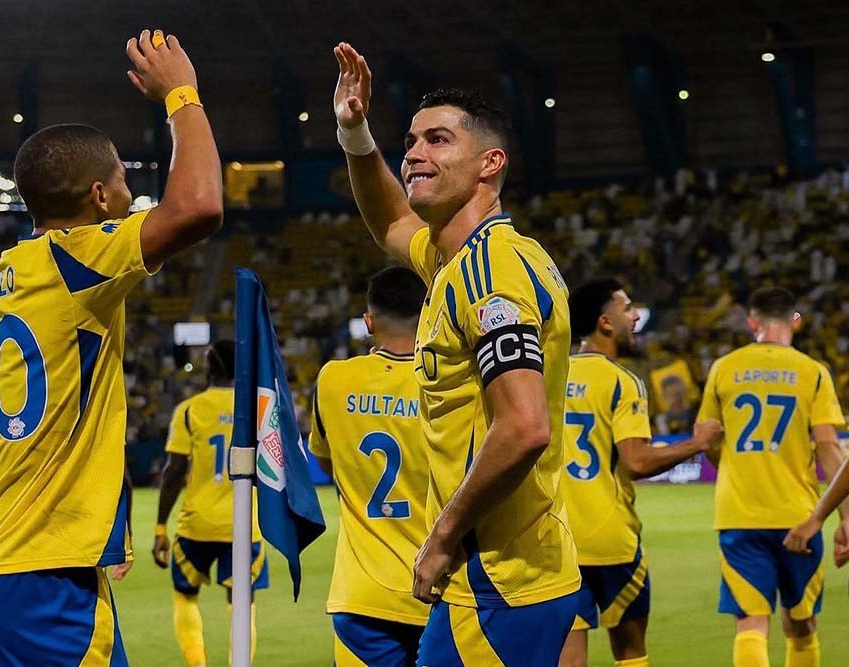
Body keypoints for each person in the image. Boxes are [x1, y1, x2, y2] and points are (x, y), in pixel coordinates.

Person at [0, 29, 223, 666]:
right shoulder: (79, 256)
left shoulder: (1, 281)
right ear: (99, 196)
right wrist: (182, 94)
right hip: (45, 584)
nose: (130, 195)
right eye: (123, 181)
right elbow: (200, 206)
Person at [332, 42, 580, 666]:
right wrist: (355, 133)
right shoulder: (456, 260)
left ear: (489, 163)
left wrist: (442, 537)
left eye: (438, 140)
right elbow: (391, 222)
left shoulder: (490, 272)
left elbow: (524, 427)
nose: (414, 153)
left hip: (497, 579)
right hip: (504, 574)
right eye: (411, 141)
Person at [558, 278, 723, 667]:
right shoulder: (622, 381)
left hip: (559, 541)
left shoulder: (549, 377)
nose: (635, 317)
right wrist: (698, 443)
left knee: (568, 660)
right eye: (628, 308)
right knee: (631, 654)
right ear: (605, 322)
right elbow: (636, 462)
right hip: (611, 540)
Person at [696, 287, 847, 667]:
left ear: (752, 323)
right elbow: (829, 449)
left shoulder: (724, 368)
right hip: (800, 516)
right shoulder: (813, 372)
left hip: (739, 514)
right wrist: (847, 517)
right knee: (801, 623)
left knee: (750, 622)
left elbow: (706, 438)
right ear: (795, 321)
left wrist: (733, 465)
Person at [308, 267, 430, 666]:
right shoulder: (447, 384)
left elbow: (327, 461)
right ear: (427, 315)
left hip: (362, 593)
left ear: (369, 322)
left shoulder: (333, 379)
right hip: (439, 586)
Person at [152, 341, 269, 667]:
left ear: (210, 369)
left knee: (185, 596)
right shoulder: (257, 409)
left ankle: (198, 664)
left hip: (197, 524)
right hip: (243, 524)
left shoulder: (190, 410)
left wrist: (160, 527)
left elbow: (173, 472)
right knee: (242, 604)